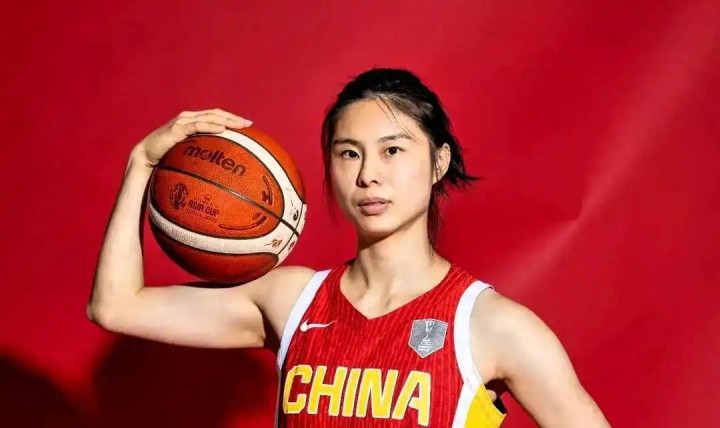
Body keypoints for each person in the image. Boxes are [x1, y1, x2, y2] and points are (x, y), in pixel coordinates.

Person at [88, 68, 610, 427]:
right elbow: (116, 305)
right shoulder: (292, 302)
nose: (368, 175)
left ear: (439, 162)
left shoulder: (491, 325)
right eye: (348, 153)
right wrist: (142, 165)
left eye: (392, 150)